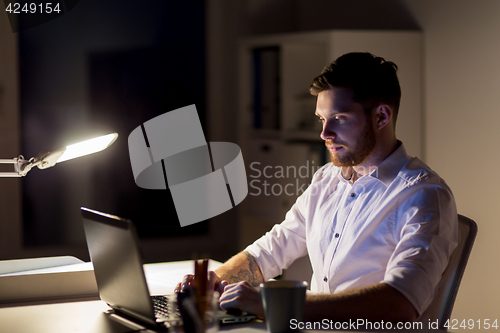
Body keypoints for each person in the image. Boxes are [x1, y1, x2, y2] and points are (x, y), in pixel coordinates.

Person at [175, 52, 458, 323]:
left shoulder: (423, 196)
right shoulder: (328, 178)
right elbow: (275, 247)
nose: (325, 133)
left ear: (381, 117)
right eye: (322, 119)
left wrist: (269, 302)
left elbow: (399, 304)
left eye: (339, 118)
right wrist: (214, 280)